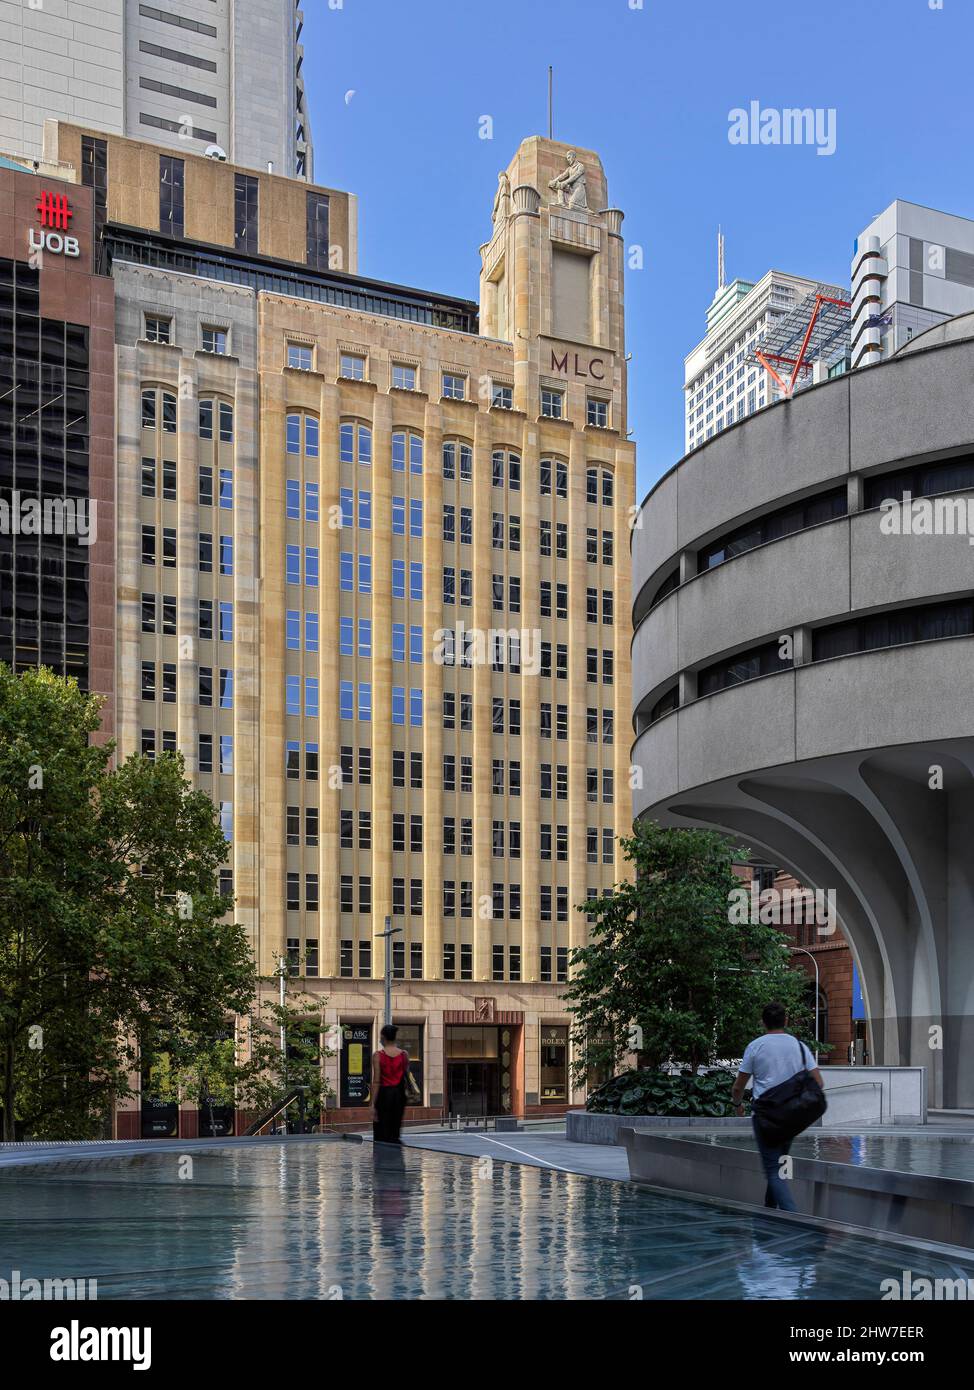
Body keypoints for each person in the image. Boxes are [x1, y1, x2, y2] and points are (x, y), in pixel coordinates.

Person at [731, 1002, 824, 1212]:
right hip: (791, 1117)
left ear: (763, 1022)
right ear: (786, 1021)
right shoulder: (799, 1046)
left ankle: (794, 1219)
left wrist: (737, 1105)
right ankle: (769, 1210)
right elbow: (818, 1082)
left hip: (766, 1117)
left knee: (773, 1170)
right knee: (779, 1165)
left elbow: (738, 1087)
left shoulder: (755, 1046)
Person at [371, 1024, 409, 1145]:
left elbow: (376, 1081)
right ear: (394, 1038)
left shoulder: (378, 1055)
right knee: (394, 1131)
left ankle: (381, 1161)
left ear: (383, 1037)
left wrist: (372, 1104)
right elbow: (405, 1075)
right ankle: (396, 1160)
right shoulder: (404, 1055)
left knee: (381, 1132)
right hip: (399, 1095)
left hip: (383, 1096)